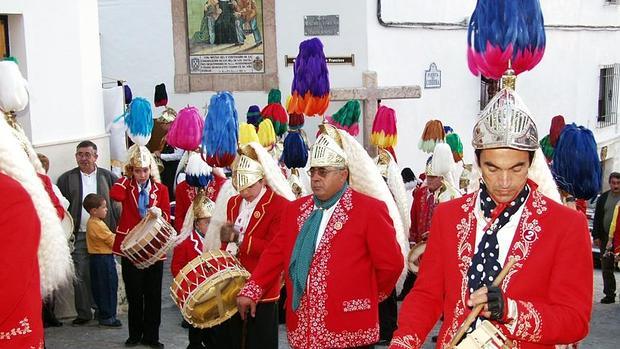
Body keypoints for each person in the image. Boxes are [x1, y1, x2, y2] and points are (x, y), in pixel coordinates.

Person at [390, 72, 593, 348]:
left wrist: (512, 311)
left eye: (517, 168)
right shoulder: (449, 217)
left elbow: (575, 319)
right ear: (478, 161)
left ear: (531, 162)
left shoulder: (566, 225)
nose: (505, 182)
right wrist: (404, 341)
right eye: (493, 168)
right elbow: (427, 295)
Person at [237, 125, 404, 349]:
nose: (315, 178)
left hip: (350, 329)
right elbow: (275, 252)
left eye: (323, 172)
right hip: (304, 329)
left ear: (343, 174)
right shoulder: (296, 210)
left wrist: (363, 296)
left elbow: (391, 264)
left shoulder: (368, 210)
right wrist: (252, 289)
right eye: (313, 171)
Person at [217, 142, 293, 349]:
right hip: (233, 283)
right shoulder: (233, 202)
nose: (245, 193)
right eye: (240, 188)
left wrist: (240, 240)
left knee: (261, 341)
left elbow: (274, 249)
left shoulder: (280, 205)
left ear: (262, 179)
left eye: (250, 186)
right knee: (234, 340)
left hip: (264, 285)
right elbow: (228, 242)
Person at [110, 145, 170, 349]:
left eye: (145, 170)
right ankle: (134, 334)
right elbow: (115, 195)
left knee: (153, 295)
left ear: (150, 170)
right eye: (137, 170)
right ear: (131, 171)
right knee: (135, 294)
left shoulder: (161, 190)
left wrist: (158, 214)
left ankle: (152, 336)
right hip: (131, 247)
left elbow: (167, 217)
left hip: (153, 247)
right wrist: (126, 177)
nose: (142, 175)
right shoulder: (126, 186)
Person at [57, 140, 120, 325]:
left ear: (96, 156)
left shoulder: (108, 177)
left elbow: (116, 207)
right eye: (80, 154)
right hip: (80, 234)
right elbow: (62, 208)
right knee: (81, 273)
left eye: (87, 154)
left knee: (102, 273)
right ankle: (84, 313)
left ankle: (103, 310)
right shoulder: (66, 179)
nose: (83, 158)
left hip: (103, 234)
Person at [171, 192, 217, 349]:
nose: (211, 226)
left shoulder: (218, 242)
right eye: (207, 222)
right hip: (195, 296)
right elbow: (177, 269)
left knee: (214, 335)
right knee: (196, 336)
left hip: (215, 296)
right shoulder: (184, 243)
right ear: (197, 224)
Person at [83, 193, 122, 328]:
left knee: (102, 287)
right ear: (94, 210)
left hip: (99, 258)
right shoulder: (96, 224)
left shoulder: (96, 222)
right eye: (103, 207)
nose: (106, 209)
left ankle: (105, 313)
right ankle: (108, 316)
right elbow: (111, 240)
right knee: (107, 287)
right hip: (102, 259)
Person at [593, 172, 620, 303]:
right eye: (613, 183)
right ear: (610, 183)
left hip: (619, 238)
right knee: (606, 267)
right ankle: (609, 294)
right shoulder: (603, 198)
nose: (616, 186)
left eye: (618, 183)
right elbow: (597, 217)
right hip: (606, 238)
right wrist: (596, 236)